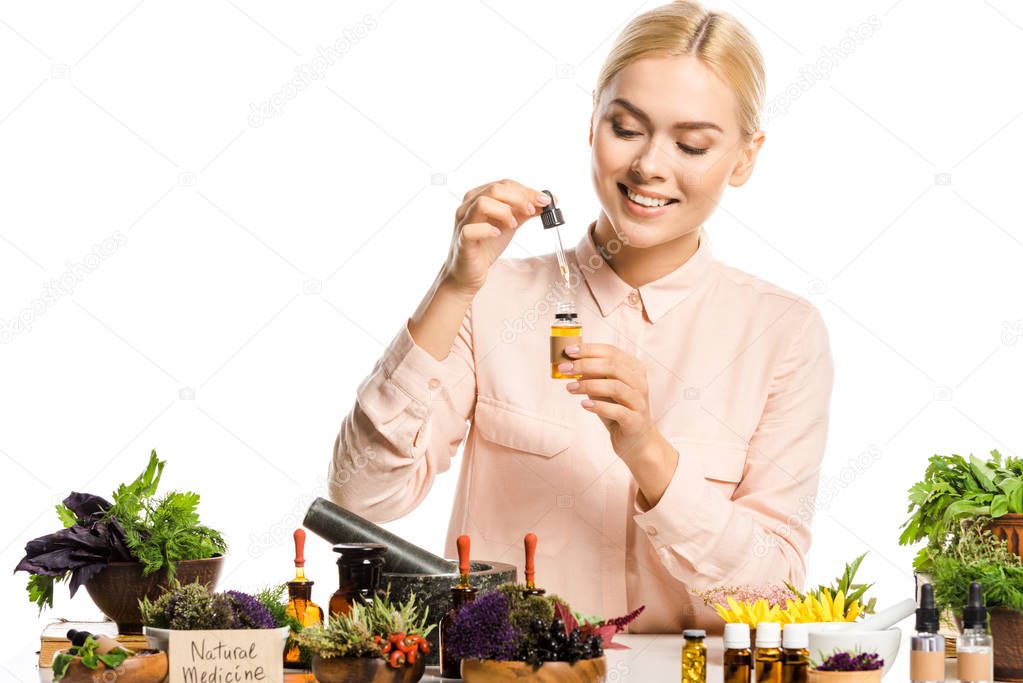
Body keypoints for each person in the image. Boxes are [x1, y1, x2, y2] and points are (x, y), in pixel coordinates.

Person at [328, 0, 833, 633]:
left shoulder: (784, 334)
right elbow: (361, 494)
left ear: (744, 158)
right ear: (591, 121)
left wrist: (649, 453)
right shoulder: (489, 300)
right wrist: (453, 286)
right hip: (506, 676)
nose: (650, 164)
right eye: (626, 128)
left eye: (692, 143)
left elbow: (777, 595)